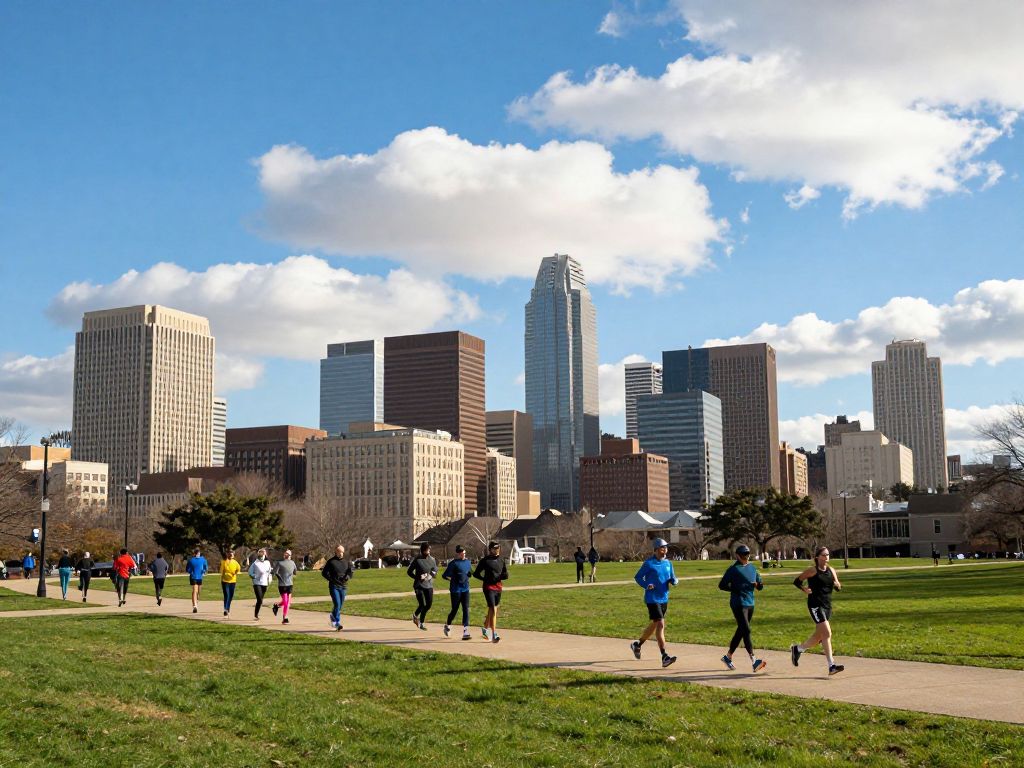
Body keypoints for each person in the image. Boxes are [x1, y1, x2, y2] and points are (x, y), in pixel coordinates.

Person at [790, 546, 844, 676]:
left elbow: (838, 586)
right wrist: (804, 589)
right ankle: (831, 666)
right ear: (817, 557)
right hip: (815, 605)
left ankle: (798, 649)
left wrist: (837, 585)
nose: (826, 557)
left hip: (827, 606)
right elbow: (797, 581)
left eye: (828, 555)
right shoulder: (812, 571)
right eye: (824, 555)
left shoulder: (831, 570)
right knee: (827, 633)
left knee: (819, 636)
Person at [630, 538, 678, 668]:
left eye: (666, 548)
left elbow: (673, 577)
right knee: (660, 623)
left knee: (657, 624)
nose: (665, 550)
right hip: (652, 598)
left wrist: (674, 581)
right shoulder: (649, 564)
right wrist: (647, 585)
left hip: (664, 598)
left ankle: (637, 644)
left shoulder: (668, 563)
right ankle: (664, 656)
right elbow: (638, 577)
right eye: (663, 548)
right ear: (656, 550)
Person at [718, 544, 766, 673]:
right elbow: (721, 585)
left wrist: (757, 584)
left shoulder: (752, 568)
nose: (746, 556)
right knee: (746, 629)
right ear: (738, 556)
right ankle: (754, 660)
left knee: (741, 630)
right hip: (738, 603)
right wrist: (735, 588)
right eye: (744, 554)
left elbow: (760, 586)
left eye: (747, 554)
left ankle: (728, 657)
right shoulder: (733, 569)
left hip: (750, 603)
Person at [473, 541, 508, 643]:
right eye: (495, 548)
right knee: (492, 608)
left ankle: (485, 628)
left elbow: (504, 573)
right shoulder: (485, 560)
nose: (497, 550)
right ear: (490, 549)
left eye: (498, 548)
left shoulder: (501, 560)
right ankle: (494, 634)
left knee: (493, 610)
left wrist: (504, 576)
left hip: (498, 587)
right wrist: (484, 579)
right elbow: (476, 574)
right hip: (488, 587)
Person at [442, 545, 472, 640]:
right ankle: (448, 625)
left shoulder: (468, 562)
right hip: (455, 590)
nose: (462, 554)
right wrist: (452, 579)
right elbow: (444, 575)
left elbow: (469, 573)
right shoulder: (453, 564)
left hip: (465, 589)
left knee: (466, 609)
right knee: (454, 609)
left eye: (463, 552)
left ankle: (466, 631)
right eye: (460, 552)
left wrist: (469, 575)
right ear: (458, 553)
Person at [321, 544, 353, 630]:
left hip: (343, 586)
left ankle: (333, 617)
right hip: (334, 586)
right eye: (339, 551)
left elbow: (350, 572)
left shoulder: (347, 562)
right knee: (337, 604)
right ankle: (336, 622)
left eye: (342, 552)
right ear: (336, 551)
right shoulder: (331, 561)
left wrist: (347, 577)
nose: (341, 553)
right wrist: (331, 579)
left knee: (340, 605)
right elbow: (324, 573)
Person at [407, 543, 437, 630]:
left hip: (429, 584)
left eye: (429, 550)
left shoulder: (432, 560)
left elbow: (434, 570)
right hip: (418, 585)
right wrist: (418, 577)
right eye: (426, 550)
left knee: (428, 605)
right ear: (422, 551)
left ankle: (415, 616)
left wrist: (430, 576)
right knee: (422, 605)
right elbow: (409, 572)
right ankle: (421, 623)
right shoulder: (417, 560)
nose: (428, 552)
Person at [272, 549, 297, 624]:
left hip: (290, 584)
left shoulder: (292, 563)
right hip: (282, 585)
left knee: (287, 602)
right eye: (285, 554)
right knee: (286, 601)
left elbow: (295, 572)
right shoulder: (280, 563)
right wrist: (279, 577)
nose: (286, 555)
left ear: (290, 555)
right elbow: (275, 572)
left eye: (288, 554)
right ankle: (285, 617)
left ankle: (277, 607)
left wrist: (292, 573)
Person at [248, 548, 273, 620]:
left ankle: (256, 613)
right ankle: (256, 615)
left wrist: (270, 579)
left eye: (263, 553)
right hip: (257, 583)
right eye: (260, 553)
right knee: (259, 599)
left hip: (265, 583)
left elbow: (269, 572)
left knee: (260, 600)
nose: (262, 554)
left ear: (265, 554)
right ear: (258, 554)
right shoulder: (255, 563)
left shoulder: (267, 563)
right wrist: (253, 576)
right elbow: (250, 572)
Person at [185, 547, 209, 614]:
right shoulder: (191, 560)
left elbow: (206, 567)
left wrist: (204, 571)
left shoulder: (203, 560)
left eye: (198, 553)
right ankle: (194, 606)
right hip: (193, 577)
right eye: (196, 553)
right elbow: (187, 569)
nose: (197, 554)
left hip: (200, 578)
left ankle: (196, 602)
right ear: (194, 553)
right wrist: (191, 572)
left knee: (199, 592)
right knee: (194, 591)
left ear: (200, 553)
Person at [220, 549, 241, 616]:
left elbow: (238, 569)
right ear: (228, 554)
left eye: (232, 553)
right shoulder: (224, 562)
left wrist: (235, 572)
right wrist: (224, 575)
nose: (231, 554)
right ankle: (225, 609)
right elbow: (221, 571)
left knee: (231, 596)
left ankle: (228, 608)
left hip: (233, 581)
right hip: (225, 581)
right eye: (230, 553)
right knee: (227, 595)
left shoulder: (235, 562)